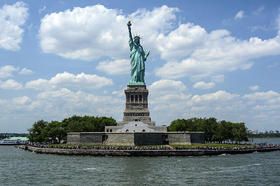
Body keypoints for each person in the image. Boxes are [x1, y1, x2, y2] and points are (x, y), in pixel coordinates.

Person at [127, 21, 150, 85]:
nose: (136, 40)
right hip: (135, 61)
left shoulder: (140, 47)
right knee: (135, 70)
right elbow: (130, 37)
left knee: (141, 71)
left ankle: (140, 80)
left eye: (137, 39)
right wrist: (129, 28)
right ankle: (134, 80)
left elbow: (144, 57)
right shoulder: (133, 46)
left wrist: (146, 55)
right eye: (135, 39)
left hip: (140, 61)